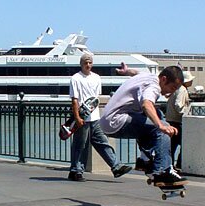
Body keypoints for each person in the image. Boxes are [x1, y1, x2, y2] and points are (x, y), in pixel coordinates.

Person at [99, 62, 186, 186]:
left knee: (158, 114)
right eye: (171, 88)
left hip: (109, 120)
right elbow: (146, 104)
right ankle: (161, 171)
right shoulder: (154, 86)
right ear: (164, 79)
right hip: (116, 121)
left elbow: (135, 73)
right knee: (162, 126)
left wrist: (126, 71)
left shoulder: (148, 76)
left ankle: (145, 160)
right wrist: (160, 126)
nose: (170, 93)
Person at [67, 52, 132, 182]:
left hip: (95, 117)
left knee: (102, 141)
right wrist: (78, 117)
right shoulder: (75, 78)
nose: (88, 65)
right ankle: (76, 170)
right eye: (85, 63)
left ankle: (115, 167)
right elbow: (75, 100)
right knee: (81, 145)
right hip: (82, 117)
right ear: (81, 64)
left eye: (90, 62)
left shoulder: (97, 78)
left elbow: (96, 98)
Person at [165, 71, 194, 170]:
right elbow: (178, 105)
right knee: (186, 143)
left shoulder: (177, 89)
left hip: (170, 120)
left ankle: (169, 165)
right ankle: (180, 164)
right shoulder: (182, 90)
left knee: (172, 146)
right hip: (178, 122)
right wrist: (186, 112)